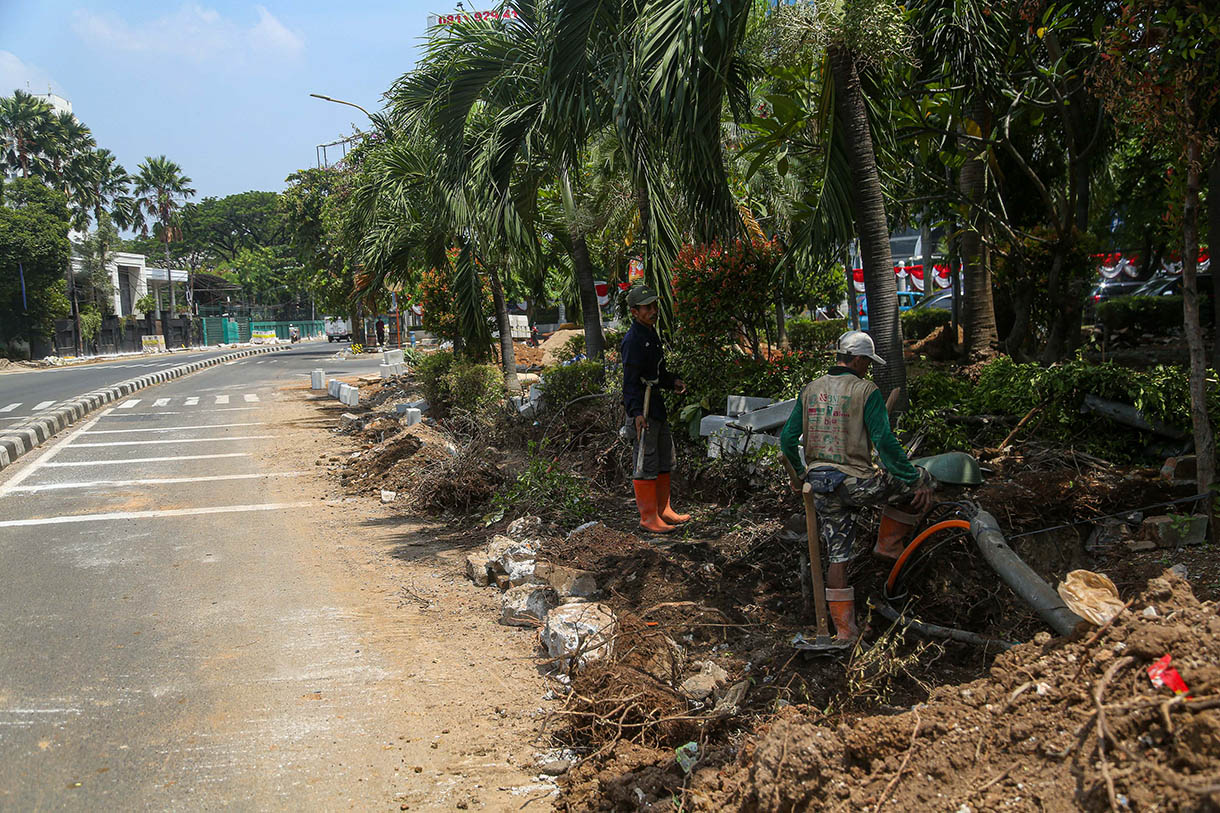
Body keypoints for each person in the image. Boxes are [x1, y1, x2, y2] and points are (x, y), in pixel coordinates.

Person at [778, 330, 934, 643]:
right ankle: (888, 544)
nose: (869, 368)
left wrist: (799, 477)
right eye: (868, 362)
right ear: (859, 359)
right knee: (922, 479)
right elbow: (885, 444)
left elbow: (785, 439)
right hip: (855, 483)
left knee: (838, 555)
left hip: (819, 485)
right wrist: (913, 478)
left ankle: (845, 632)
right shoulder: (866, 391)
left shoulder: (810, 389)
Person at [621, 285, 689, 534]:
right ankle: (648, 517)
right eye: (646, 307)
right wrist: (636, 413)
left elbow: (658, 373)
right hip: (644, 408)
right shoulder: (633, 340)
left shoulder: (651, 334)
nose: (652, 311)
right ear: (634, 312)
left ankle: (664, 510)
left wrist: (672, 383)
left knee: (663, 458)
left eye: (653, 306)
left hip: (656, 404)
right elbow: (629, 382)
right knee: (645, 460)